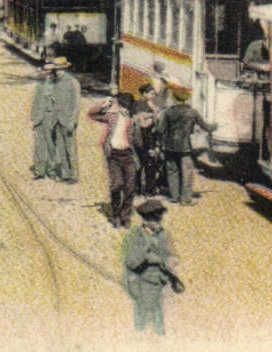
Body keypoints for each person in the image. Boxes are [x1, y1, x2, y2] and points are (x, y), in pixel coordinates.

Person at [122, 199, 183, 335]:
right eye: (155, 221)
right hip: (144, 284)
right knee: (142, 323)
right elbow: (131, 262)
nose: (159, 223)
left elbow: (173, 254)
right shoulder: (136, 236)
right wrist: (148, 250)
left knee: (159, 321)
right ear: (145, 221)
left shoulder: (164, 234)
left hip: (161, 283)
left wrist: (170, 260)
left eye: (159, 220)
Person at [158, 81, 216, 205]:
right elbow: (206, 127)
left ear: (175, 98)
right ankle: (186, 199)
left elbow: (160, 129)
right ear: (187, 99)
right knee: (187, 173)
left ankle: (174, 197)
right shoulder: (192, 112)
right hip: (186, 147)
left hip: (169, 146)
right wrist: (215, 126)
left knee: (172, 171)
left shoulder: (168, 112)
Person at [88, 96, 142, 227]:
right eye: (121, 107)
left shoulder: (133, 122)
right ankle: (116, 214)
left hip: (128, 156)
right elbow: (92, 115)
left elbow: (139, 142)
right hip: (114, 156)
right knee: (116, 185)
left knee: (129, 187)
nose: (124, 110)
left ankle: (125, 216)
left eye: (127, 108)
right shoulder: (111, 117)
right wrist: (103, 103)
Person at [30, 57, 80, 182]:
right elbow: (39, 101)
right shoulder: (51, 83)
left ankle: (73, 175)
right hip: (55, 120)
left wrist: (73, 121)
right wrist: (35, 117)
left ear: (65, 69)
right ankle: (64, 174)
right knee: (61, 149)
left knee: (70, 149)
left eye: (60, 70)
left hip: (66, 120)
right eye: (56, 70)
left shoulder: (72, 82)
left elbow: (76, 104)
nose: (57, 72)